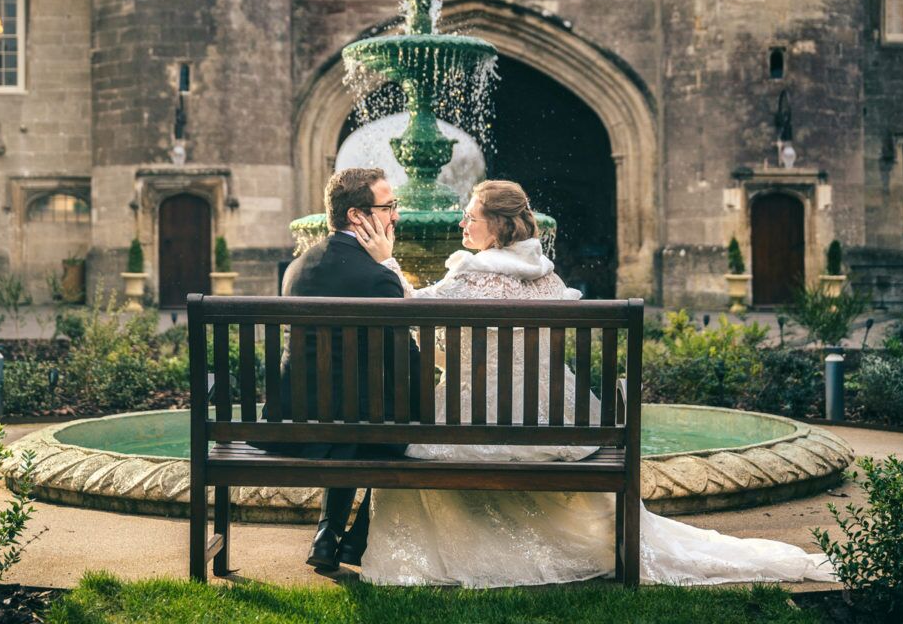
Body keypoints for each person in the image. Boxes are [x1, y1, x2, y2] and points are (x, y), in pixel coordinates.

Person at [351, 179, 836, 587]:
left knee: (415, 445)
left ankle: (455, 559)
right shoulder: (548, 278)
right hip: (558, 431)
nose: (462, 225)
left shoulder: (472, 279)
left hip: (475, 431)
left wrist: (386, 263)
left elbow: (420, 328)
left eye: (470, 217)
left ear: (497, 226)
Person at [254, 167, 420, 572]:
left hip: (291, 425)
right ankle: (356, 540)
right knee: (400, 421)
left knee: (353, 413)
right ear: (358, 216)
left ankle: (327, 534)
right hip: (357, 430)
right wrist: (389, 265)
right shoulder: (379, 278)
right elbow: (408, 361)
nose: (396, 215)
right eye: (389, 206)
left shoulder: (297, 268)